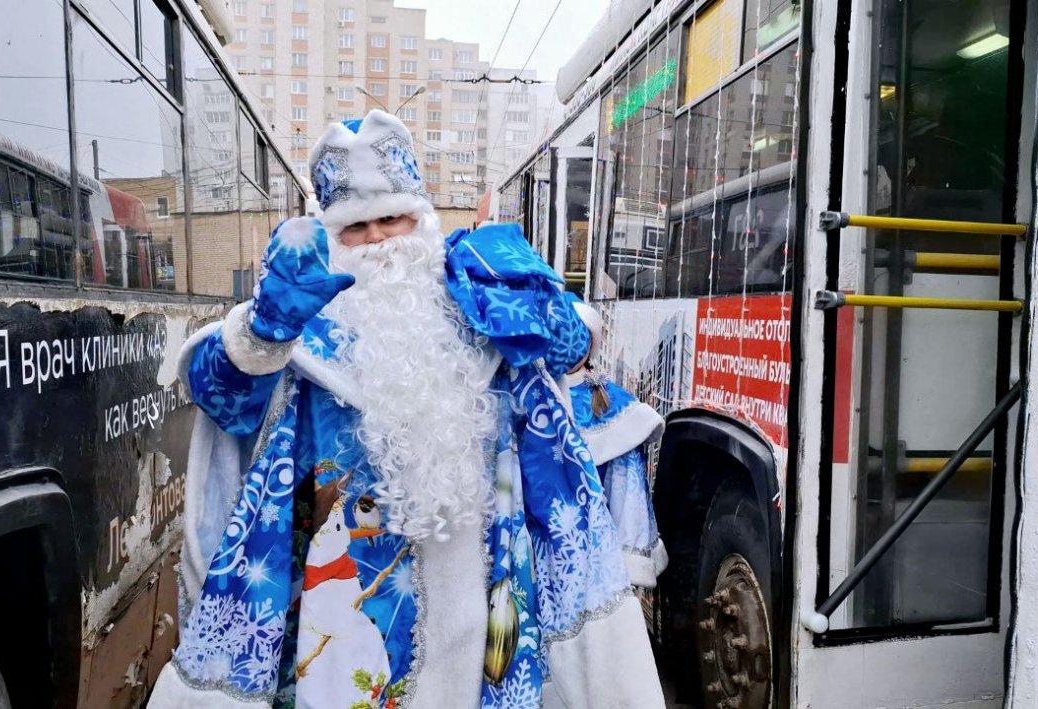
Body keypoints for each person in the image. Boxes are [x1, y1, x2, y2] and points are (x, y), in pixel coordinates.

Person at [148, 110, 664, 709]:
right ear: (331, 238)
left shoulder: (481, 299)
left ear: (420, 220)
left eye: (390, 218)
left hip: (483, 587)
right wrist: (261, 331)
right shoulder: (301, 325)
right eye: (355, 227)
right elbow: (220, 397)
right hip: (352, 614)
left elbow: (570, 354)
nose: (377, 241)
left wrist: (545, 307)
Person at [566, 303, 668, 588]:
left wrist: (627, 563)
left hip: (592, 555)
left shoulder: (613, 405)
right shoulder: (537, 391)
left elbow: (627, 490)